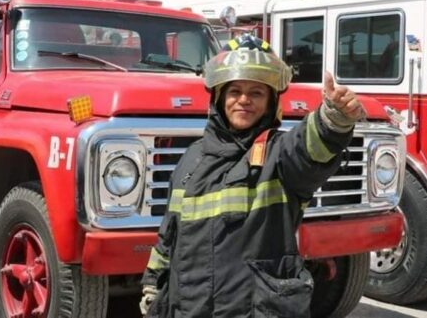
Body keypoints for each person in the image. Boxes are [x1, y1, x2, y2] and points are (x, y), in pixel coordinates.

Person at [140, 34, 365, 318]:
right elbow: (167, 236)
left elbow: (310, 147)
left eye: (257, 93)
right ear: (219, 98)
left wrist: (333, 119)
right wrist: (152, 286)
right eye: (234, 91)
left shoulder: (278, 155)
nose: (244, 100)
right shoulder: (191, 160)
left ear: (271, 102)